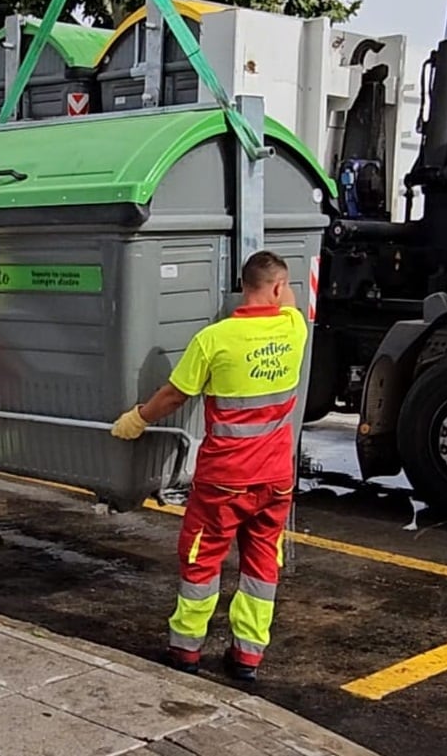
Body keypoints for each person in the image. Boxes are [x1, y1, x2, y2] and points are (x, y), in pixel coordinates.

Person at [111, 250, 308, 682]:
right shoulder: (295, 329)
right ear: (277, 288)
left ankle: (185, 651)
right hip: (275, 480)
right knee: (261, 567)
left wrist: (137, 418)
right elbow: (292, 301)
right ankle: (247, 658)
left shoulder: (213, 340)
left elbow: (175, 395)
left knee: (202, 562)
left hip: (225, 480)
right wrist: (282, 289)